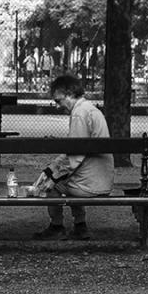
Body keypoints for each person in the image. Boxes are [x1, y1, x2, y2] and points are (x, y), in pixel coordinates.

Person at [30, 74, 113, 240]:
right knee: (66, 178)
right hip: (101, 179)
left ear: (68, 93)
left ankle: (56, 226)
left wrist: (50, 176)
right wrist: (52, 167)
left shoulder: (79, 114)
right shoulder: (89, 109)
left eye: (58, 101)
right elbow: (74, 152)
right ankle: (80, 226)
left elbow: (74, 156)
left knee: (52, 185)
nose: (57, 106)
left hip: (90, 184)